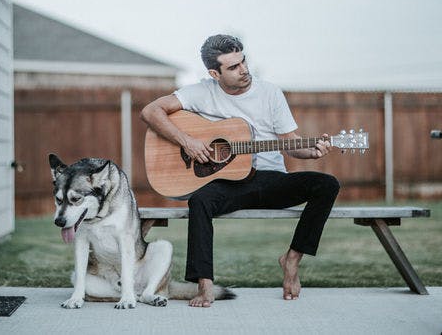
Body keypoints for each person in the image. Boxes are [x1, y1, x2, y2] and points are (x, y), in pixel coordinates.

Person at [140, 34, 340, 307]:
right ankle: (204, 284)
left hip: (270, 180)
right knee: (200, 201)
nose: (244, 69)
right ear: (214, 73)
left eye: (243, 61)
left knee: (327, 184)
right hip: (228, 183)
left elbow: (290, 142)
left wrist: (311, 151)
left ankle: (292, 260)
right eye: (233, 67)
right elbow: (151, 112)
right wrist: (187, 141)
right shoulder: (200, 92)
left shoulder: (269, 92)